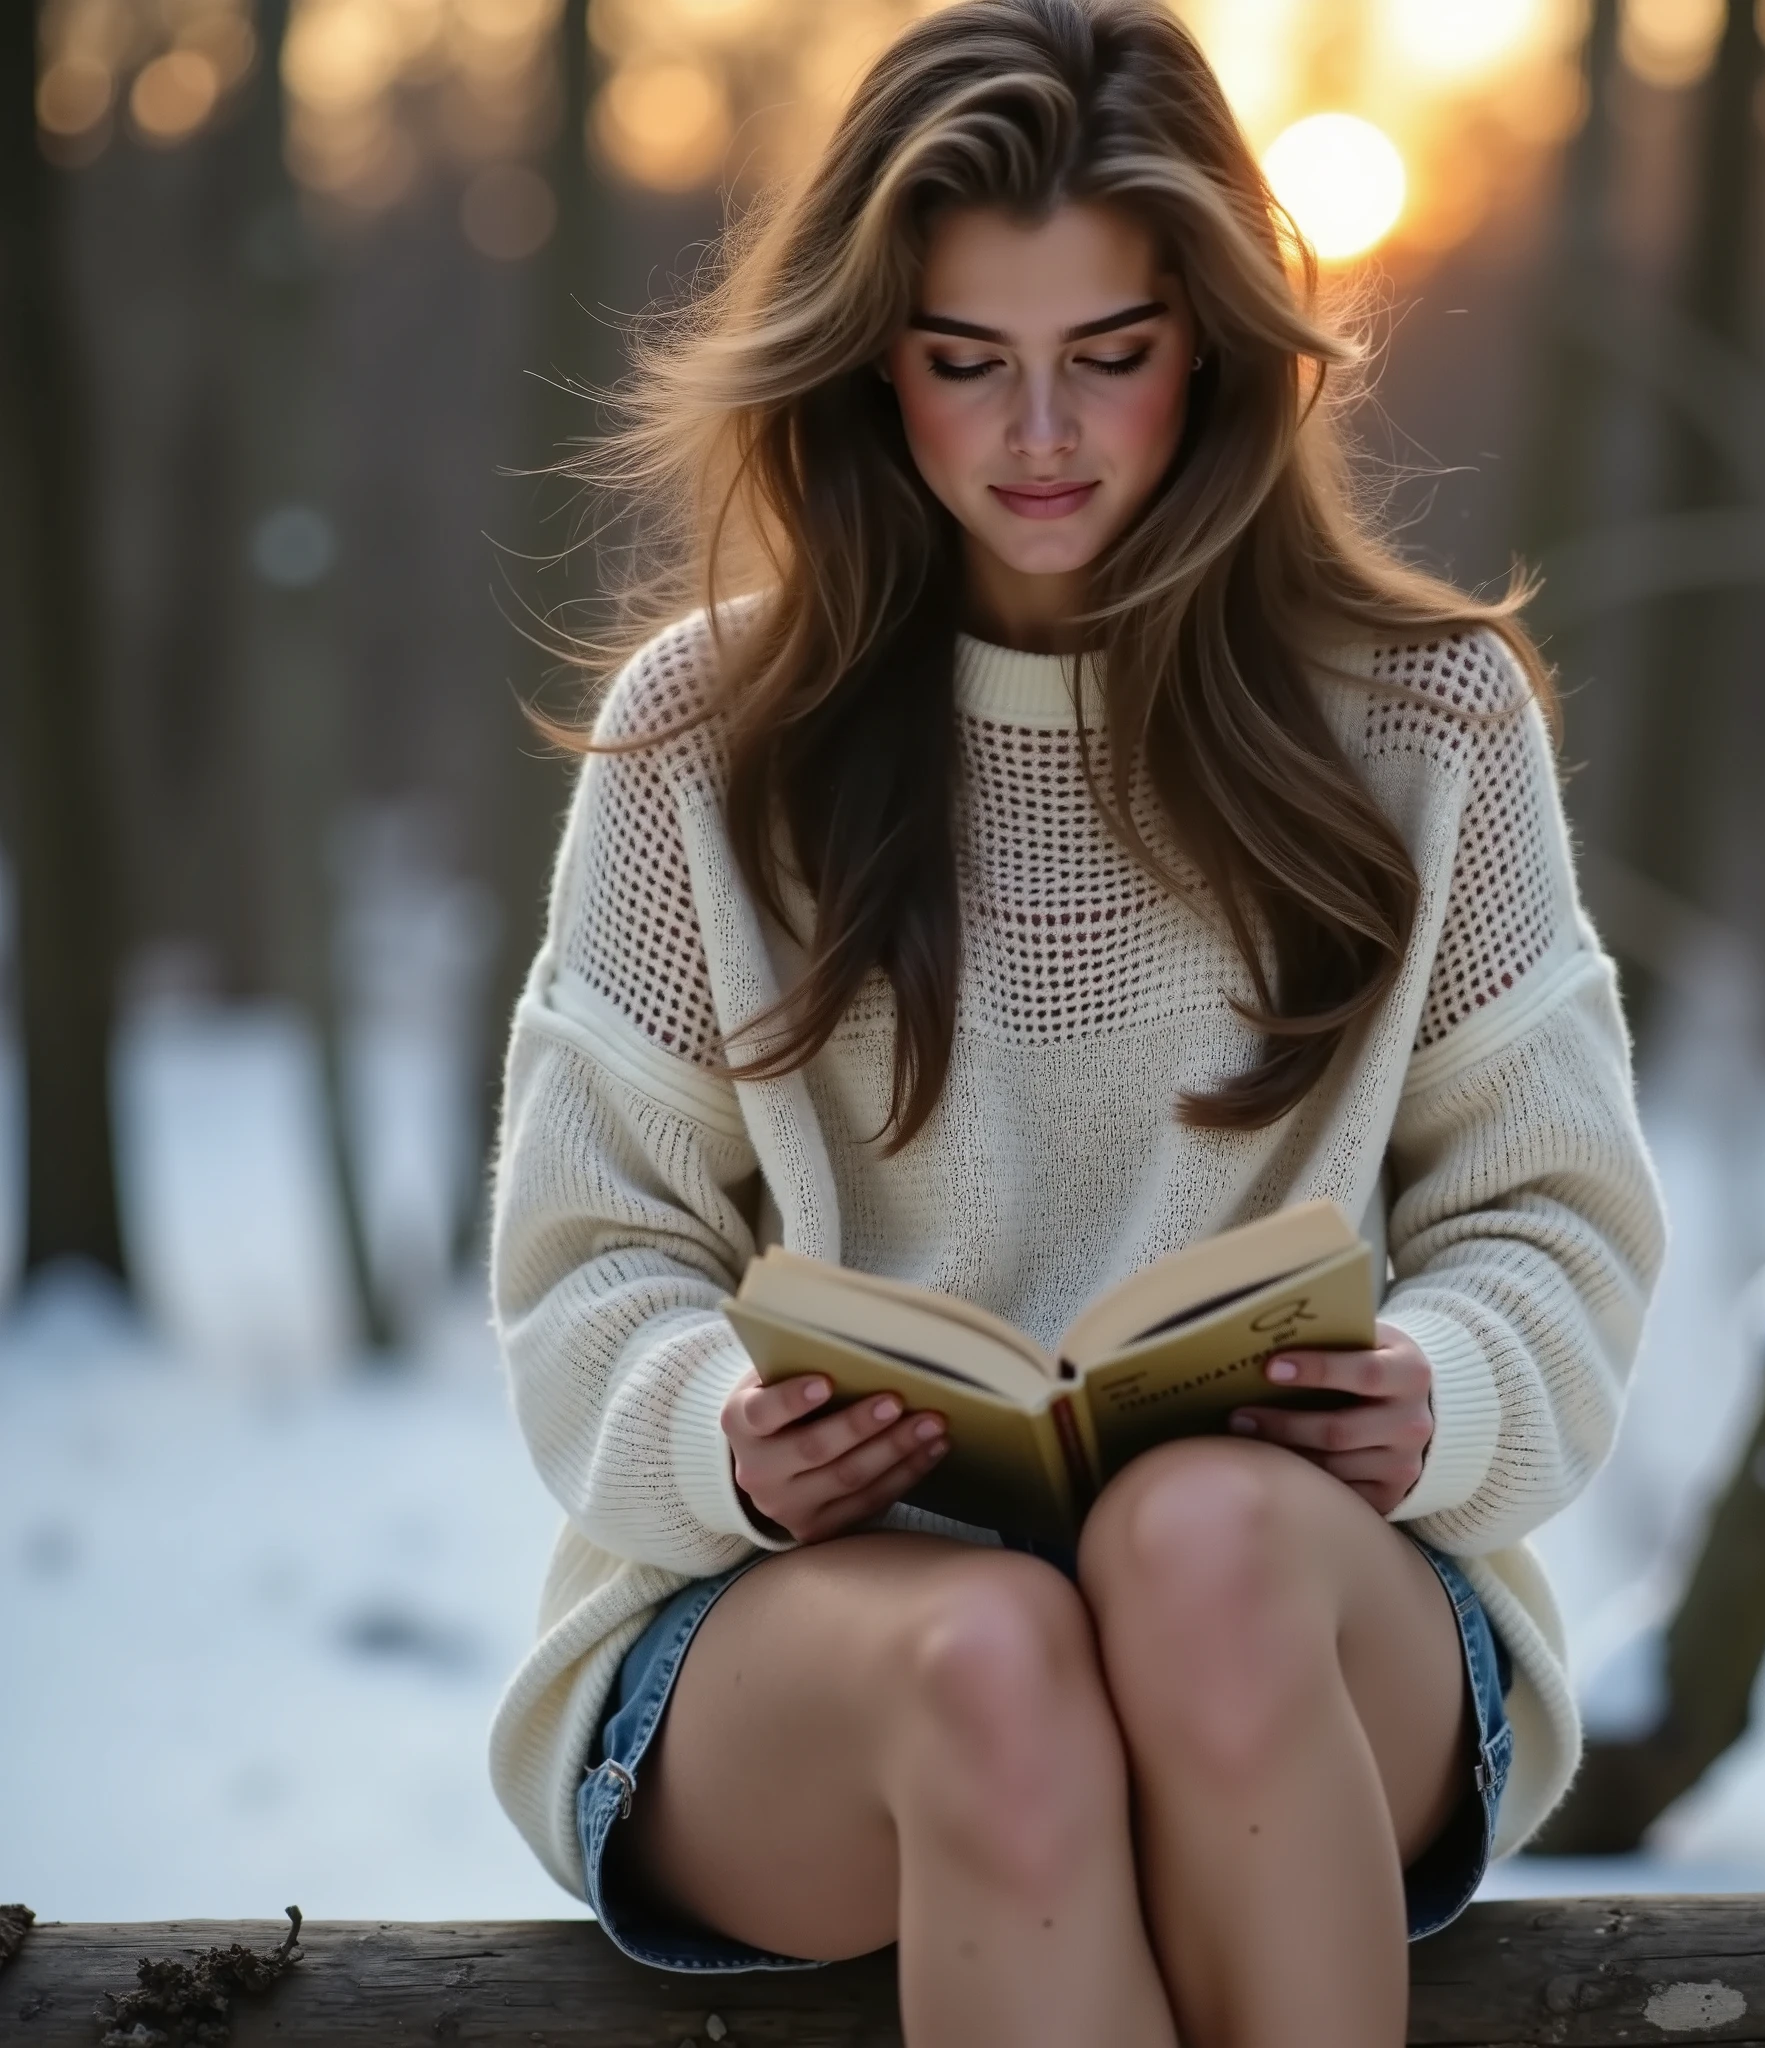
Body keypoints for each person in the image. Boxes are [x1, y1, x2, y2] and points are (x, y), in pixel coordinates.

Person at [486, 1, 1665, 2041]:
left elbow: (1555, 1222)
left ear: (1205, 346)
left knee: (1190, 1548)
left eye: (1106, 356)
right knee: (1001, 1655)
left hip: (1300, 1620)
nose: (1042, 433)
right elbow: (588, 1266)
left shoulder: (1424, 723)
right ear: (874, 361)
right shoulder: (704, 738)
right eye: (968, 363)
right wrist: (724, 1438)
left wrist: (1441, 1389)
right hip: (803, 1652)